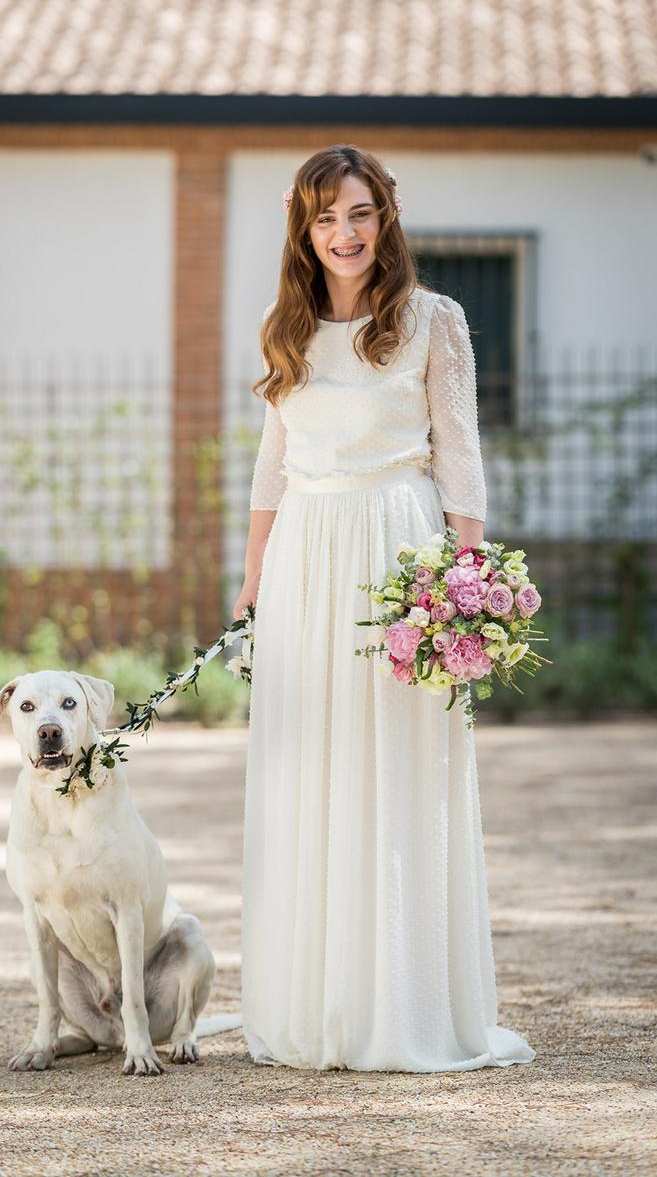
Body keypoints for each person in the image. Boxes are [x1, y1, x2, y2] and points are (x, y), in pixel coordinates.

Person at [231, 144, 535, 1073]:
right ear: (303, 227)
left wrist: (467, 580)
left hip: (399, 549)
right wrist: (249, 590)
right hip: (303, 561)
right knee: (309, 769)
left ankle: (401, 1010)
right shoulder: (285, 326)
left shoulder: (431, 321)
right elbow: (271, 466)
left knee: (400, 770)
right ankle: (319, 1006)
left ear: (385, 217)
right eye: (325, 217)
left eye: (358, 213)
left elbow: (460, 452)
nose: (343, 234)